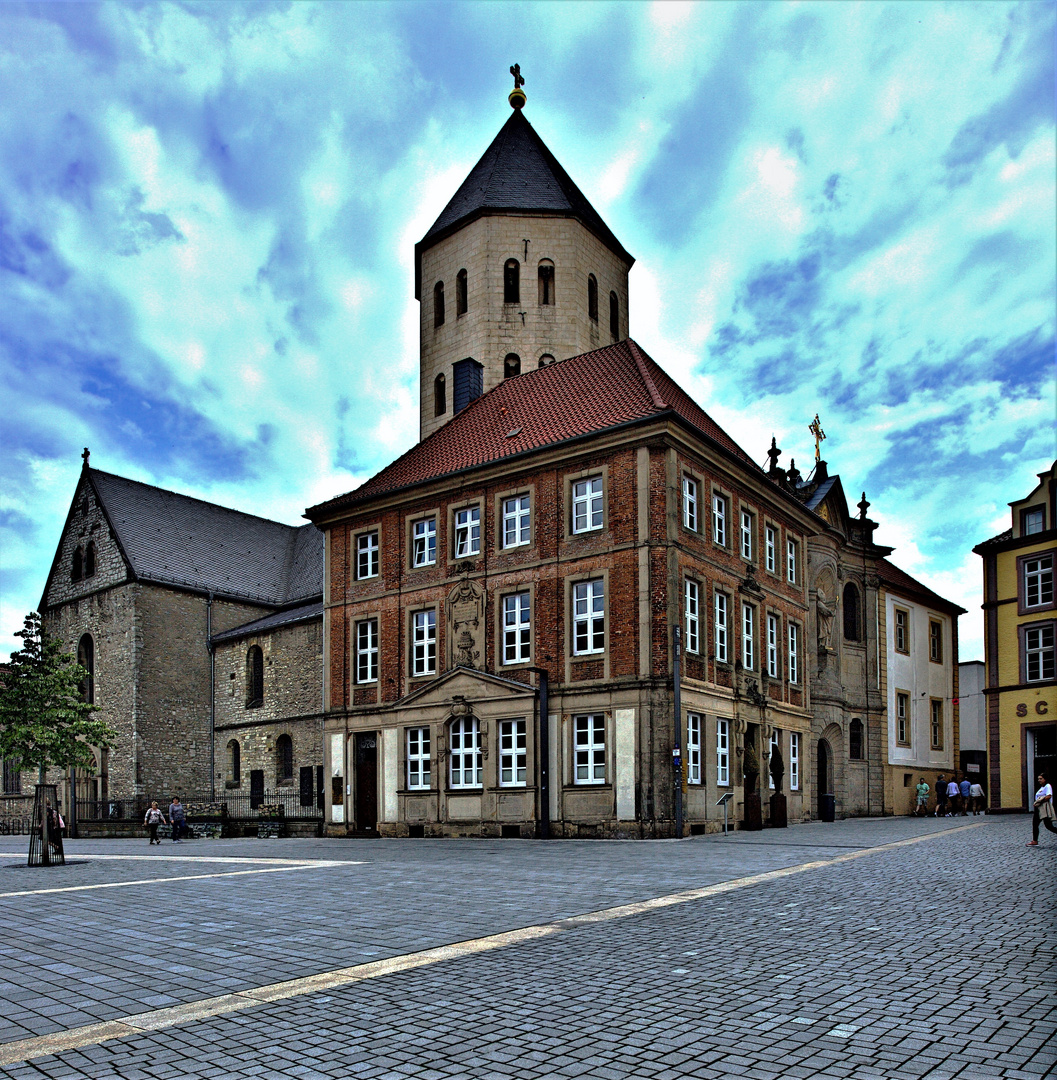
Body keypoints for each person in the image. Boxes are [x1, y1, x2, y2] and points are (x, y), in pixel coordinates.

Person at [1027, 773, 1056, 846]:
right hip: (1039, 809)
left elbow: (1049, 796)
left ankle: (1035, 840)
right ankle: (1035, 840)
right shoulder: (1041, 788)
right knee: (1035, 824)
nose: (1039, 780)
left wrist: (1039, 801)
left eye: (1040, 778)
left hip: (1044, 809)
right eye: (1038, 779)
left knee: (1049, 826)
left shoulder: (1047, 786)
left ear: (1045, 779)